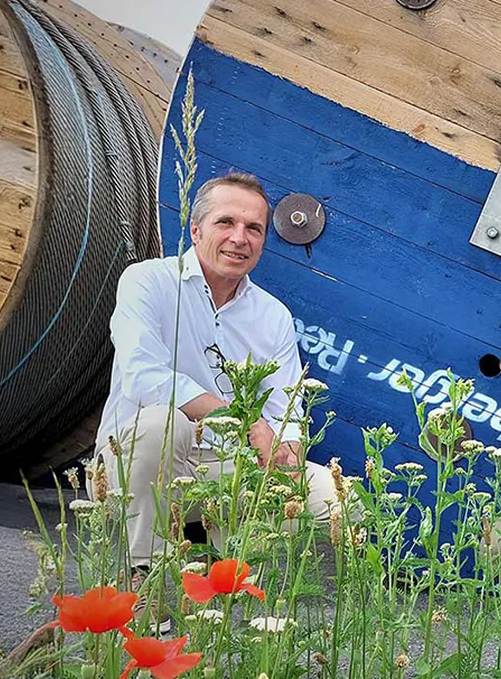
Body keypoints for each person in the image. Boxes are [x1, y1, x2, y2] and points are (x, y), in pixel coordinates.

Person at [95, 173, 335, 614]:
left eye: (254, 228)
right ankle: (145, 576)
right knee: (162, 424)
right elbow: (144, 376)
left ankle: (223, 567)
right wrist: (245, 421)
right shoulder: (148, 280)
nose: (239, 238)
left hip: (226, 469)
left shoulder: (273, 316)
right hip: (139, 460)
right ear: (195, 229)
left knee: (332, 496)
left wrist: (286, 453)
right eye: (226, 222)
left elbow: (288, 410)